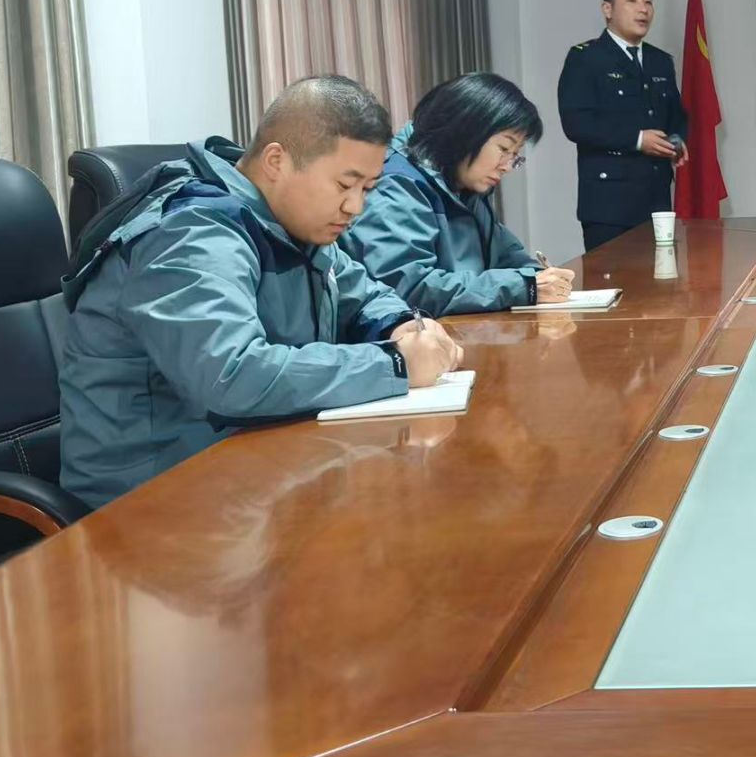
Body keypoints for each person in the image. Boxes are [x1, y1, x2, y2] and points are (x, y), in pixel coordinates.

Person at [59, 76, 463, 508]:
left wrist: (401, 327)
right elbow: (231, 376)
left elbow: (362, 293)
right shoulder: (191, 234)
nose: (355, 207)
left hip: (253, 473)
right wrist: (395, 364)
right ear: (276, 161)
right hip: (151, 502)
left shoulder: (291, 222)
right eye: (344, 185)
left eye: (367, 188)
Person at [340, 72, 577, 314]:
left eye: (515, 155)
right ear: (465, 131)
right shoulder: (396, 185)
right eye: (504, 148)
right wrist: (523, 287)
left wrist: (539, 277)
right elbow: (410, 288)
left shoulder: (463, 182)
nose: (507, 166)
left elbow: (506, 254)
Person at [558, 0, 688, 251]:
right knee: (613, 279)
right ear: (608, 9)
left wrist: (677, 140)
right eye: (632, 0)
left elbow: (676, 116)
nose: (643, 9)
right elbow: (577, 123)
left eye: (648, 1)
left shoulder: (660, 61)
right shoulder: (586, 58)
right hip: (609, 207)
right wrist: (638, 139)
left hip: (656, 201)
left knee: (662, 277)